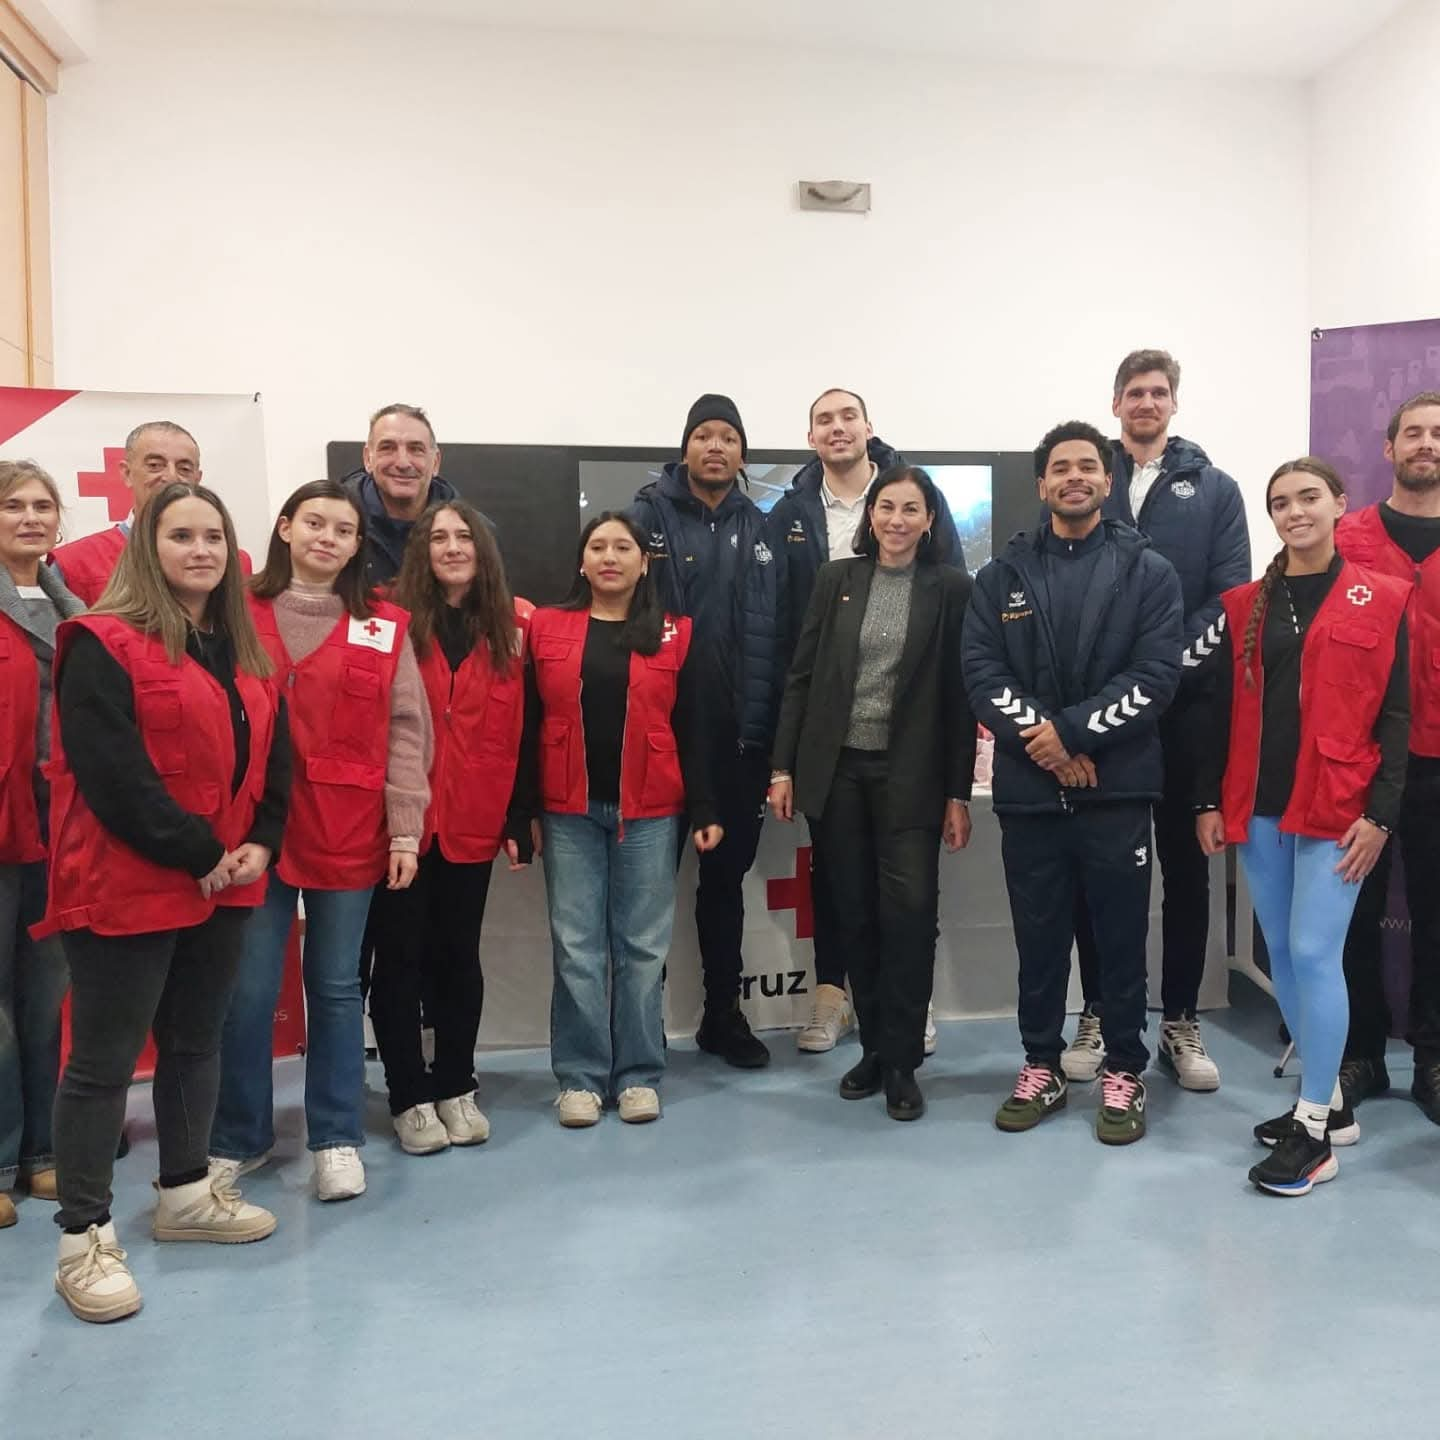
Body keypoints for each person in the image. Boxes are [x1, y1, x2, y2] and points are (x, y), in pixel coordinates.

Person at [36, 482, 288, 1322]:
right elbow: (113, 777)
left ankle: (184, 1193)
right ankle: (84, 1239)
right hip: (131, 881)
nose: (201, 551)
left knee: (193, 1041)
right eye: (181, 535)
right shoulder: (100, 643)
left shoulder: (243, 647)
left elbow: (273, 758)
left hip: (228, 878)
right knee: (104, 1065)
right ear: (149, 545)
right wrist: (203, 853)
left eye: (213, 536)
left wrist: (262, 841)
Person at [963, 420, 1183, 1146]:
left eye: (1087, 465)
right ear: (1042, 484)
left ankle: (1124, 1070)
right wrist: (1053, 750)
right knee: (1040, 941)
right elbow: (984, 675)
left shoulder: (1149, 571)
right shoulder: (1001, 577)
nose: (1074, 477)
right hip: (1031, 797)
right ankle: (1041, 1065)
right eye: (1060, 468)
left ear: (1107, 479)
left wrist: (1076, 734)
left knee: (1120, 940)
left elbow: (1155, 677)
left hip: (1118, 792)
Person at [211, 480, 431, 1202]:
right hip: (252, 835)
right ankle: (237, 1137)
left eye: (344, 529)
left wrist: (406, 826)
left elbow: (406, 730)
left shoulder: (383, 624)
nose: (328, 538)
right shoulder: (234, 609)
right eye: (315, 523)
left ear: (356, 544)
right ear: (284, 527)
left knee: (336, 987)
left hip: (348, 827)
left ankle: (336, 1138)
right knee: (248, 991)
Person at [1196, 458, 1408, 1195]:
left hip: (1339, 808)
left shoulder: (1383, 597)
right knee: (1283, 951)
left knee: (1317, 951)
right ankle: (1333, 1104)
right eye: (1281, 502)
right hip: (1258, 805)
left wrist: (1381, 814)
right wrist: (1209, 802)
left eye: (1308, 497)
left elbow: (1399, 715)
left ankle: (1315, 1128)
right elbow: (1219, 714)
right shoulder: (1245, 603)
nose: (1294, 512)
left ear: (1339, 504)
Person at [1064, 351, 1249, 1090]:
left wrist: (1160, 676)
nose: (1146, 402)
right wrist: (1101, 702)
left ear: (1173, 403)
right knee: (1097, 873)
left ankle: (1180, 1018)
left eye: (1158, 392)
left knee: (1185, 872)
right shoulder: (1084, 480)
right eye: (1134, 392)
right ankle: (1103, 1013)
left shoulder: (1216, 490)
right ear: (1115, 403)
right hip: (1098, 723)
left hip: (1185, 717)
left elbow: (1229, 600)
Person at [769, 465, 975, 1120]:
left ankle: (904, 1060)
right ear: (871, 515)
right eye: (886, 507)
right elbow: (801, 677)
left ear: (929, 520)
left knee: (910, 916)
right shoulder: (838, 581)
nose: (895, 520)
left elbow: (959, 699)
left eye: (910, 509)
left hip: (909, 777)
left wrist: (957, 792)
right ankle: (877, 1051)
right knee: (853, 915)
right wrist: (783, 768)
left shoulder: (951, 589)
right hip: (837, 773)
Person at [527, 512, 721, 1127]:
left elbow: (697, 725)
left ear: (644, 562)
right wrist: (521, 811)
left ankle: (639, 1073)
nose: (610, 556)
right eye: (598, 546)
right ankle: (581, 1077)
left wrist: (706, 806)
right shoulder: (547, 629)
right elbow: (524, 722)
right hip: (568, 811)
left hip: (652, 811)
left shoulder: (676, 633)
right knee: (577, 947)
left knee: (641, 949)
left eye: (624, 547)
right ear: (582, 561)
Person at [367, 500, 535, 1154]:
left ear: (482, 549)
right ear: (420, 550)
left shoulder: (514, 625)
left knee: (458, 958)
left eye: (465, 535)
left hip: (474, 818)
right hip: (402, 824)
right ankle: (409, 1093)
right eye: (438, 536)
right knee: (400, 960)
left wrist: (519, 814)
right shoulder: (388, 618)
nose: (452, 546)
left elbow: (528, 728)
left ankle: (456, 1082)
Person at [630, 395, 781, 1069]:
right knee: (645, 893)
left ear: (742, 453)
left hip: (738, 745)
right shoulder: (646, 517)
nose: (715, 446)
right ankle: (640, 1032)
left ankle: (724, 1016)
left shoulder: (768, 528)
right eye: (703, 435)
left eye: (728, 436)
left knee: (724, 888)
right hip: (657, 737)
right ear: (684, 447)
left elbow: (785, 638)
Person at [1334, 392, 1440, 1117]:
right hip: (1362, 758)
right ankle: (1360, 1053)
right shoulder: (1347, 537)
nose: (1426, 444)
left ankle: (1432, 1059)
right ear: (1388, 447)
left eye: (1438, 434)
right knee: (1352, 910)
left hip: (1437, 759)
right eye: (1413, 433)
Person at [0, 461, 82, 1231]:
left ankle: (44, 1150)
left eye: (42, 506)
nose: (30, 517)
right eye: (13, 505)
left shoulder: (76, 609)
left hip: (58, 827)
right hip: (0, 825)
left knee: (44, 997)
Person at [51, 421, 254, 605]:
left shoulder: (232, 562)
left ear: (197, 479)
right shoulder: (75, 564)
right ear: (127, 473)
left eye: (184, 468)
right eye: (155, 466)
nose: (171, 477)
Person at [343, 404, 460, 588]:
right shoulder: (334, 530)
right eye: (388, 448)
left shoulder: (474, 538)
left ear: (435, 462)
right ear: (367, 458)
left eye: (416, 449)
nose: (403, 463)